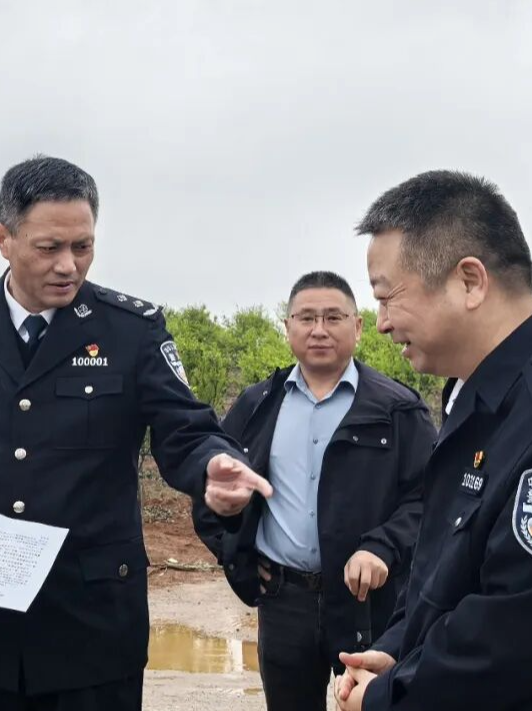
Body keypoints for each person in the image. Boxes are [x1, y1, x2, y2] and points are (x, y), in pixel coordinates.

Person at [0, 155, 271, 711]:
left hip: (93, 627)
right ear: (3, 239)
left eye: (83, 246)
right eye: (49, 248)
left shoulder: (131, 330)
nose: (68, 265)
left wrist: (211, 464)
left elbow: (185, 429)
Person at [336, 170, 532, 710]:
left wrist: (389, 696)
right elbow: (442, 571)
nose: (381, 323)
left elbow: (518, 632)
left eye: (387, 297)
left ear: (469, 281)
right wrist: (396, 652)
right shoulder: (476, 397)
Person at [193, 270, 435, 711]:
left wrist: (382, 547)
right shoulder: (258, 404)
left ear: (358, 327)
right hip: (284, 600)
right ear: (287, 327)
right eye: (306, 318)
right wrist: (239, 558)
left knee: (372, 703)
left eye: (333, 317)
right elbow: (212, 485)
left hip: (368, 604)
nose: (319, 329)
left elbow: (428, 498)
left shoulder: (397, 409)